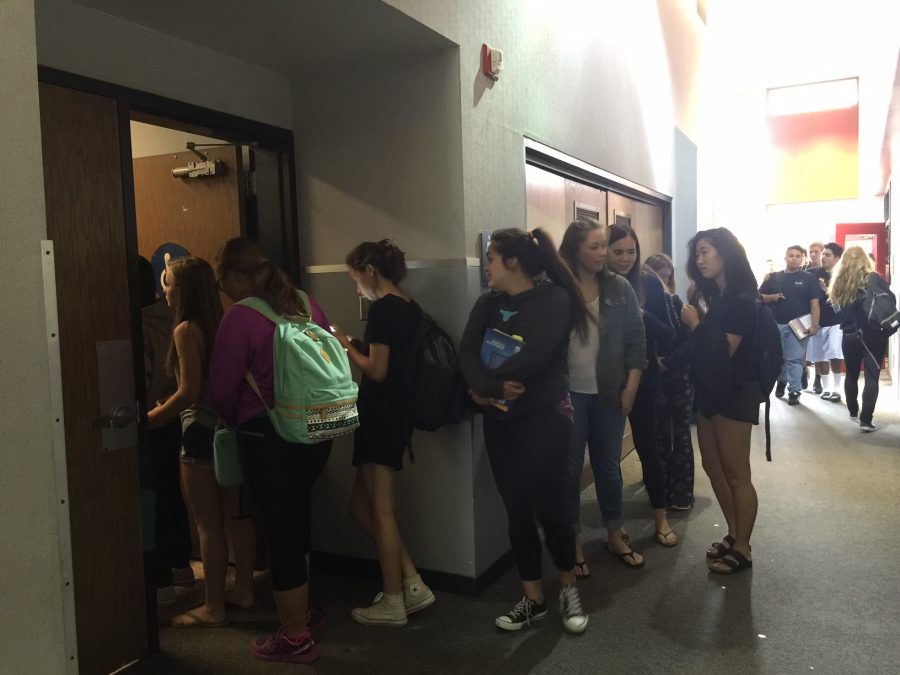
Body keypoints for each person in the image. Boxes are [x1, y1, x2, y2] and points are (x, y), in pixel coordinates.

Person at [459, 227, 589, 634]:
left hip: (545, 419)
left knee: (552, 510)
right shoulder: (488, 303)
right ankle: (533, 598)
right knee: (516, 510)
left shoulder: (554, 299)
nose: (486, 267)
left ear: (512, 261)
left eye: (491, 259)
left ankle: (568, 587)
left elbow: (536, 356)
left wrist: (487, 384)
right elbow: (465, 352)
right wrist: (484, 389)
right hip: (501, 420)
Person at [209, 238, 331, 663]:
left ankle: (295, 637)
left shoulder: (240, 317)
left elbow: (221, 391)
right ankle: (304, 613)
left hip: (268, 434)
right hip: (317, 429)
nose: (222, 288)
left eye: (221, 279)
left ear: (236, 276)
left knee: (280, 530)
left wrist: (231, 418)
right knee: (297, 518)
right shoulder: (304, 303)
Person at [147, 256, 256, 629]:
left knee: (207, 524)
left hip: (198, 433)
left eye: (169, 282)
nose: (164, 288)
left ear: (184, 289)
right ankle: (243, 588)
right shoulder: (223, 321)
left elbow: (190, 390)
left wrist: (155, 416)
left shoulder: (185, 330)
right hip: (230, 429)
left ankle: (213, 607)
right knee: (237, 518)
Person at [331, 240, 435, 628]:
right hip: (395, 414)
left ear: (370, 270)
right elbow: (389, 361)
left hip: (381, 415)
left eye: (355, 278)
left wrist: (344, 345)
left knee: (381, 510)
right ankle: (411, 582)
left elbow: (376, 371)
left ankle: (393, 600)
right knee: (361, 507)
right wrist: (359, 346)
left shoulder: (383, 309)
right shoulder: (408, 306)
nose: (356, 287)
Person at [558, 219, 647, 576]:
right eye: (595, 247)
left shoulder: (619, 287)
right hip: (567, 394)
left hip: (609, 392)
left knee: (608, 467)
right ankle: (573, 541)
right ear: (576, 249)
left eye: (603, 246)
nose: (602, 253)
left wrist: (631, 387)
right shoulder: (558, 288)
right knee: (567, 472)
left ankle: (614, 532)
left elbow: (636, 343)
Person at [681, 227, 761, 575]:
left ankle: (743, 547)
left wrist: (696, 324)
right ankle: (733, 533)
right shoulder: (719, 296)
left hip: (735, 393)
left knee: (736, 473)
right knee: (713, 467)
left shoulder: (743, 299)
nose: (699, 261)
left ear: (725, 254)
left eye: (705, 252)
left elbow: (720, 352)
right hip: (710, 393)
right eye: (697, 254)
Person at [607, 225, 677, 546]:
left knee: (649, 447)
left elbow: (668, 332)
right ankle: (615, 525)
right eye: (617, 251)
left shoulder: (649, 282)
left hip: (645, 376)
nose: (625, 258)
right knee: (608, 456)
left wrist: (640, 313)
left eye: (631, 251)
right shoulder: (596, 283)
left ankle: (660, 518)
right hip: (605, 378)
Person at [139, 256, 193, 607]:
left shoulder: (137, 322)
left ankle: (158, 579)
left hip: (152, 416)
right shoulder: (173, 315)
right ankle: (180, 565)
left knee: (149, 498)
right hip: (179, 417)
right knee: (173, 493)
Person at [645, 253, 696, 511]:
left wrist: (668, 362)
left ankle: (682, 493)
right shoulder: (639, 305)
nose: (663, 282)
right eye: (658, 277)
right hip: (654, 379)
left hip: (678, 376)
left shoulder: (678, 304)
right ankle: (660, 493)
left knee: (681, 434)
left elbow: (690, 342)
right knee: (659, 437)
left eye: (666, 277)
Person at [828, 246, 890, 432]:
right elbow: (888, 302)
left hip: (848, 335)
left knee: (852, 374)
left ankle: (853, 411)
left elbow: (836, 309)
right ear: (865, 260)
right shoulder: (874, 278)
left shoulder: (838, 282)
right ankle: (866, 420)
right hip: (872, 335)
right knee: (872, 376)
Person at [758, 245, 820, 406]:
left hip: (800, 325)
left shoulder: (809, 278)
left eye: (797, 256)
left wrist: (814, 325)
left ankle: (794, 391)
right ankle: (781, 381)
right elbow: (757, 297)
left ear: (802, 259)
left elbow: (815, 303)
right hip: (777, 324)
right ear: (785, 257)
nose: (794, 258)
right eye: (791, 255)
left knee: (794, 359)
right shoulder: (773, 277)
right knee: (779, 358)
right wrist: (773, 297)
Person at [807, 243, 844, 401]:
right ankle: (826, 388)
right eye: (823, 254)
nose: (823, 257)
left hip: (837, 321)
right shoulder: (813, 274)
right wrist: (771, 276)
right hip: (817, 321)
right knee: (819, 356)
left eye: (827, 255)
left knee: (835, 353)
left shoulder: (843, 275)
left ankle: (837, 389)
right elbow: (793, 275)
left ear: (836, 258)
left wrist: (828, 290)